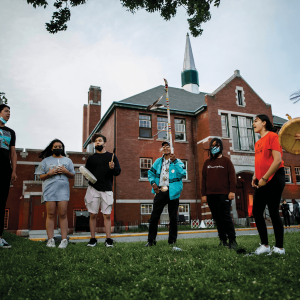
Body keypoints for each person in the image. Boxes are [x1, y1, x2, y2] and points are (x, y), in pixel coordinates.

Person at [252, 114, 285, 255]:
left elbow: (277, 160)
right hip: (263, 179)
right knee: (257, 211)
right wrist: (255, 175)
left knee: (273, 211)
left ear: (264, 123)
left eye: (256, 121)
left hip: (275, 177)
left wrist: (264, 178)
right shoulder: (257, 142)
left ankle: (279, 248)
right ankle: (265, 246)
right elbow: (260, 162)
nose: (253, 123)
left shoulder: (272, 136)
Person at [35, 139, 75, 248]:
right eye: (56, 147)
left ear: (63, 148)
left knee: (63, 214)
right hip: (49, 190)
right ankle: (50, 240)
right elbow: (41, 176)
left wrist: (66, 172)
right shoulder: (45, 161)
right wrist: (50, 173)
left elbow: (72, 175)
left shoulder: (68, 161)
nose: (58, 148)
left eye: (60, 146)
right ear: (52, 148)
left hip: (63, 191)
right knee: (51, 214)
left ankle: (64, 240)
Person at [145, 141, 186, 247]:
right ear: (161, 149)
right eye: (164, 147)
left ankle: (172, 242)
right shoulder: (158, 162)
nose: (165, 148)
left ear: (172, 149)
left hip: (173, 192)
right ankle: (151, 241)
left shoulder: (177, 161)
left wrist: (175, 161)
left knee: (173, 218)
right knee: (154, 217)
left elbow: (183, 174)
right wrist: (153, 183)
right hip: (160, 192)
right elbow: (150, 173)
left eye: (168, 146)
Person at [84, 133, 121, 248]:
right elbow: (87, 174)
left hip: (106, 189)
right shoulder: (91, 158)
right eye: (95, 141)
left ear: (105, 143)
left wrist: (112, 167)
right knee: (92, 215)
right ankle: (92, 239)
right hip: (93, 189)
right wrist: (86, 176)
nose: (97, 142)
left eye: (100, 140)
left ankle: (108, 240)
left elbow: (118, 172)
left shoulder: (112, 156)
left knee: (107, 215)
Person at [201, 138, 237, 249]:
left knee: (226, 217)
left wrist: (232, 191)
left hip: (224, 194)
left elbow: (232, 177)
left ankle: (232, 240)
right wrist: (204, 194)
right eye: (212, 145)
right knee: (217, 218)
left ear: (221, 147)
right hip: (211, 195)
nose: (214, 147)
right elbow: (203, 179)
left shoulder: (226, 161)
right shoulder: (207, 162)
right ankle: (223, 240)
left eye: (216, 145)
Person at [0, 104, 17, 249]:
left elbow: (13, 153)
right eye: (6, 111)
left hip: (4, 170)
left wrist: (14, 171)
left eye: (9, 112)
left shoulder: (10, 132)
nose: (8, 114)